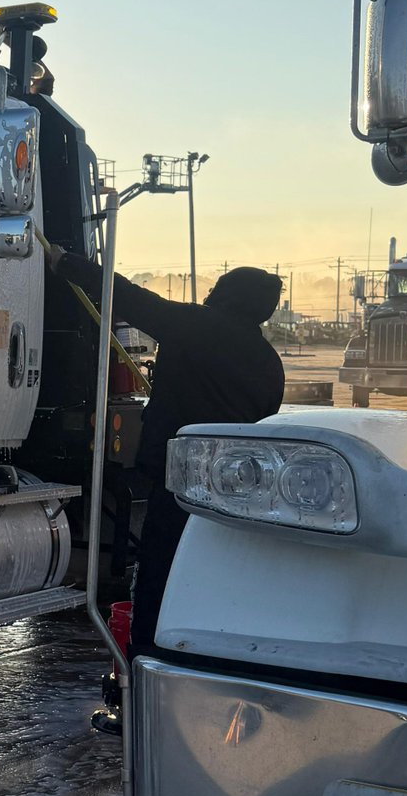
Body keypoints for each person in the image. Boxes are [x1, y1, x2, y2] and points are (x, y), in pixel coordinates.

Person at [48, 251, 285, 654]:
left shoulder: (194, 325)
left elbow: (126, 296)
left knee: (159, 579)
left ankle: (147, 659)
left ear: (224, 293)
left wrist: (67, 263)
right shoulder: (269, 363)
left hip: (179, 484)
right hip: (233, 498)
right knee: (212, 581)